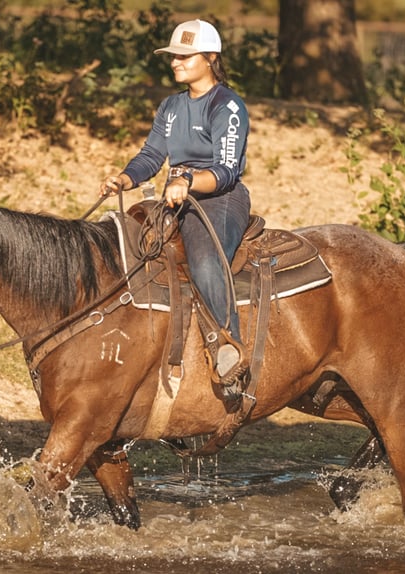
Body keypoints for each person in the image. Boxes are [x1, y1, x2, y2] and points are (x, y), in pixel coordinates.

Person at [100, 19, 251, 396]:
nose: (175, 62)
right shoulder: (171, 106)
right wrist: (124, 178)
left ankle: (227, 348)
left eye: (185, 55)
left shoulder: (228, 105)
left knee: (202, 261)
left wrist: (187, 182)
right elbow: (152, 154)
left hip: (220, 198)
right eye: (173, 56)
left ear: (211, 57)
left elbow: (227, 169)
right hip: (175, 196)